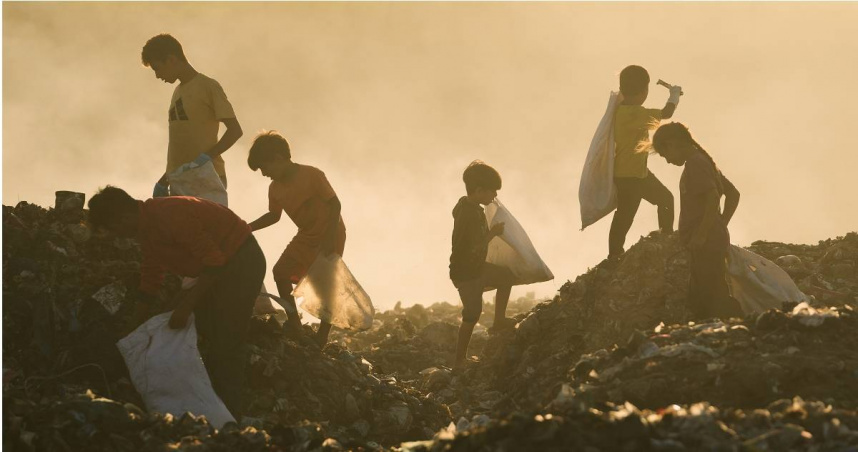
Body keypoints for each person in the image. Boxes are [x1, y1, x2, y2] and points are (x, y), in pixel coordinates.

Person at [87, 186, 265, 420]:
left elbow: (215, 262)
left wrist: (185, 306)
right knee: (186, 324)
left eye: (115, 229)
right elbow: (151, 276)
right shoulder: (145, 229)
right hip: (213, 268)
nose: (117, 236)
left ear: (124, 217)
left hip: (241, 260)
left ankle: (229, 416)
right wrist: (135, 325)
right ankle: (205, 395)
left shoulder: (170, 215)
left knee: (227, 339)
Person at [247, 131, 346, 347]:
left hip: (331, 232)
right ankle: (295, 325)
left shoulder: (312, 175)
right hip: (306, 235)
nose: (264, 174)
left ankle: (322, 336)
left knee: (325, 284)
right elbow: (274, 216)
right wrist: (247, 227)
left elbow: (335, 204)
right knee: (280, 272)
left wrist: (329, 238)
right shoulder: (275, 188)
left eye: (265, 167)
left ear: (278, 159)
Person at [651, 122, 744, 320]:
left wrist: (703, 233)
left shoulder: (695, 163)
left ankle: (734, 328)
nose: (667, 161)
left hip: (705, 243)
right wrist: (719, 224)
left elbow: (713, 197)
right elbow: (733, 194)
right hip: (709, 240)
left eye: (665, 154)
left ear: (672, 144)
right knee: (707, 291)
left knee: (711, 295)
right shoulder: (704, 162)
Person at [141, 34, 243, 196]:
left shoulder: (208, 86)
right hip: (180, 180)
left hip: (206, 178)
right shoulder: (177, 92)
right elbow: (182, 146)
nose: (157, 75)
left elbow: (235, 131)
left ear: (171, 60)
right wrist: (164, 179)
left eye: (157, 68)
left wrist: (206, 158)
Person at [608, 65, 683, 259]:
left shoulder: (620, 111)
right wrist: (674, 95)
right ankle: (618, 253)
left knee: (626, 215)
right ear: (644, 91)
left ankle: (616, 253)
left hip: (634, 173)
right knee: (627, 215)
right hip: (631, 177)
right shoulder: (636, 114)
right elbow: (666, 113)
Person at [449, 161, 516, 371]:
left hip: (477, 267)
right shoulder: (467, 214)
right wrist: (493, 234)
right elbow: (472, 246)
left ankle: (498, 321)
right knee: (472, 312)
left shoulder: (468, 206)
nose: (494, 196)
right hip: (465, 272)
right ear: (478, 191)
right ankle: (460, 360)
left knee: (506, 276)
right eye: (492, 192)